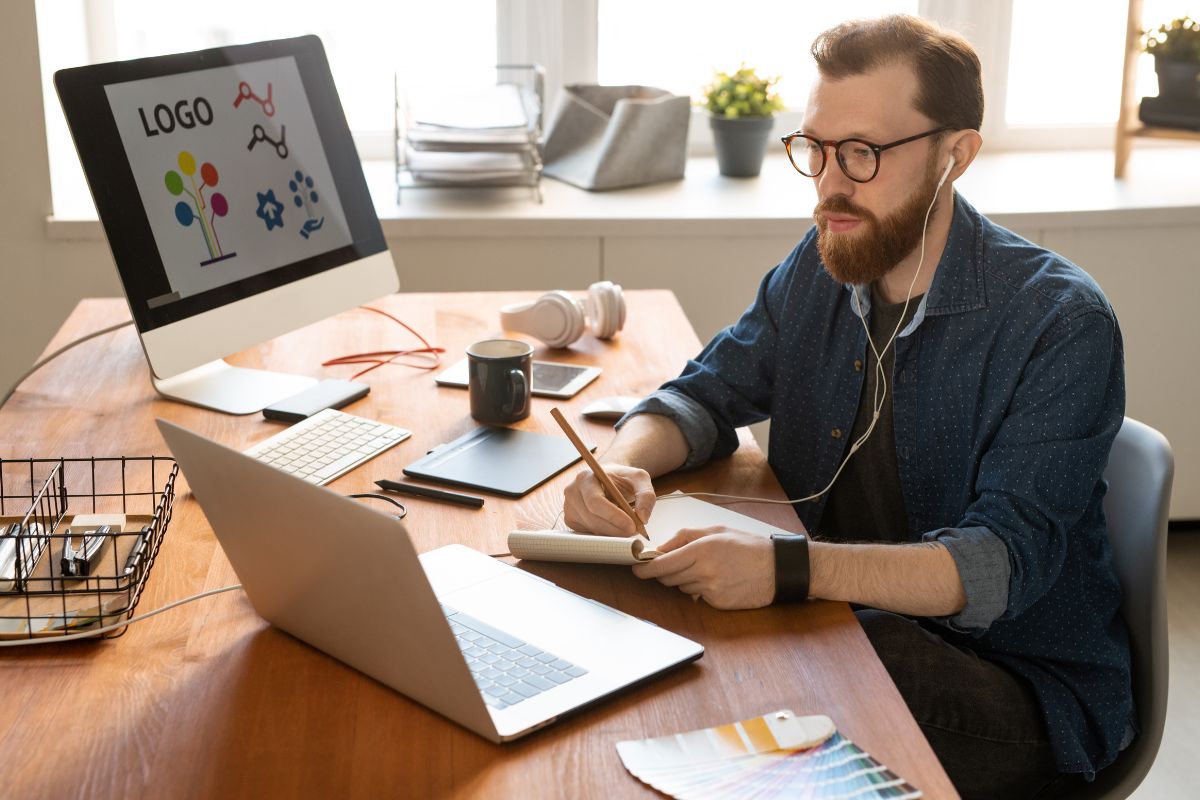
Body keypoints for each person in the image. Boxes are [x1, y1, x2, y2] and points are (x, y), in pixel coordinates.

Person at [561, 14, 1132, 800]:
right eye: (815, 150)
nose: (832, 182)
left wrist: (787, 570)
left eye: (863, 152)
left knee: (729, 683)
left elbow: (994, 567)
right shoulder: (829, 259)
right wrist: (620, 464)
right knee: (651, 632)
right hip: (840, 622)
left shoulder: (1059, 323)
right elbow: (703, 392)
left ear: (954, 154)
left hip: (1013, 689)